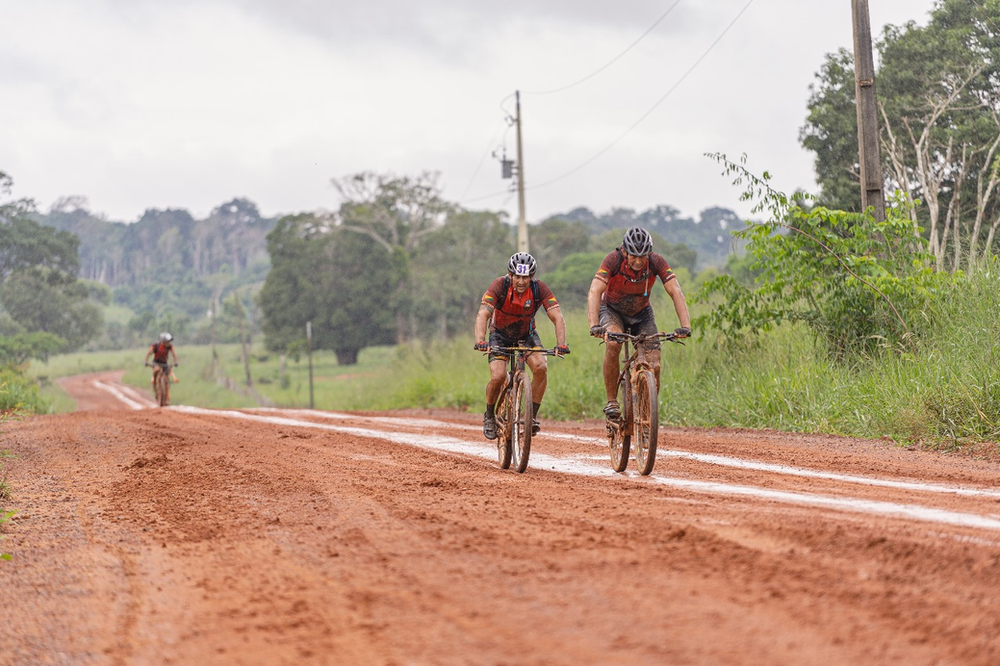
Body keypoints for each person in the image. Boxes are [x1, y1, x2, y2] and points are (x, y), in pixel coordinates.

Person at [587, 226, 691, 421]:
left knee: (655, 365)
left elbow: (675, 291)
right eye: (633, 255)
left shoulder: (656, 262)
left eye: (642, 256)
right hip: (612, 311)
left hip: (642, 314)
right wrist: (594, 325)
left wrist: (685, 326)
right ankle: (612, 401)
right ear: (625, 251)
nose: (637, 261)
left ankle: (646, 414)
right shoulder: (613, 260)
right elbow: (594, 291)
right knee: (613, 343)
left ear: (649, 253)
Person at [474, 252, 570, 440]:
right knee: (498, 375)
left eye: (525, 277)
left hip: (527, 336)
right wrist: (480, 340)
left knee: (541, 367)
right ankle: (489, 415)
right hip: (499, 335)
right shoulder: (499, 285)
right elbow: (483, 314)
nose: (521, 281)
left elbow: (557, 316)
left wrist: (561, 344)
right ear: (510, 275)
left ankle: (531, 416)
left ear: (531, 277)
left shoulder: (539, 288)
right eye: (517, 276)